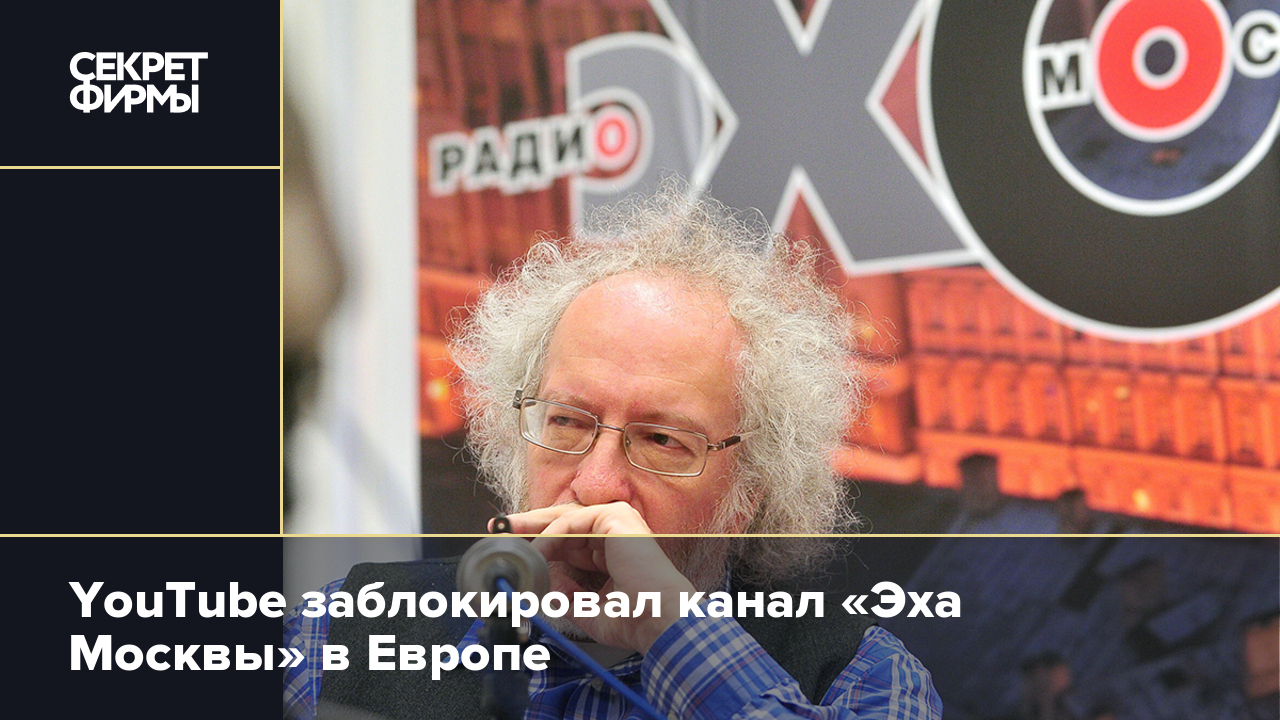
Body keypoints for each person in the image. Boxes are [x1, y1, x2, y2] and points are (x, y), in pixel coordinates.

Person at [284, 184, 941, 719]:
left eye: (662, 440)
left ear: (748, 495)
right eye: (568, 422)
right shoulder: (337, 634)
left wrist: (676, 636)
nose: (596, 486)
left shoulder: (860, 677)